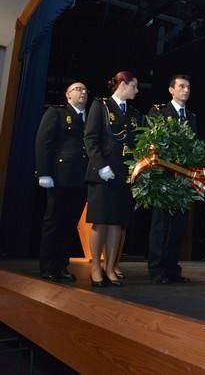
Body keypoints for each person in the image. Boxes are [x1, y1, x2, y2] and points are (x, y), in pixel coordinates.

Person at [84, 71, 141, 287]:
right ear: (123, 85)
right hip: (103, 173)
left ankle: (110, 267)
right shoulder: (101, 106)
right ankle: (96, 268)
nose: (136, 91)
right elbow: (90, 138)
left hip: (124, 175)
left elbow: (138, 143)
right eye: (134, 86)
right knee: (101, 221)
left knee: (117, 222)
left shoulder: (134, 113)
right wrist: (101, 166)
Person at [34, 82, 89, 282]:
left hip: (80, 179)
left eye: (84, 90)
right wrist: (44, 172)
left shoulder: (89, 117)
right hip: (59, 176)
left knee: (69, 223)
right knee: (54, 222)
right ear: (67, 95)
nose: (82, 92)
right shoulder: (56, 113)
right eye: (77, 89)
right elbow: (43, 142)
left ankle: (61, 265)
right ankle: (48, 266)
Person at [147, 74, 197, 284]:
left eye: (188, 87)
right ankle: (157, 269)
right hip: (163, 177)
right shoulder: (159, 112)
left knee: (178, 226)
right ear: (171, 90)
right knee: (161, 225)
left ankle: (172, 268)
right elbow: (152, 142)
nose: (185, 90)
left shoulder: (192, 118)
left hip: (183, 180)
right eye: (182, 86)